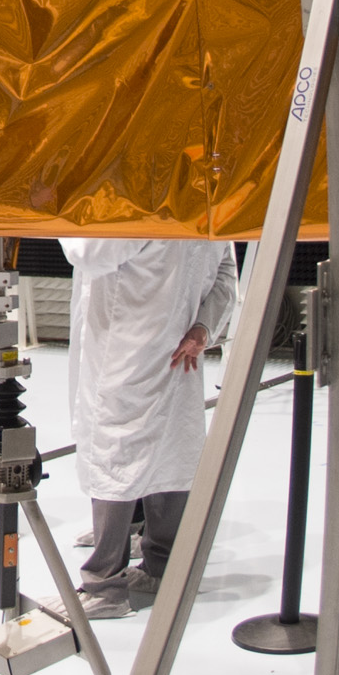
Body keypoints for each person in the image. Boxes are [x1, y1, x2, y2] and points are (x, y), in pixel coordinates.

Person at [64, 237, 237, 617]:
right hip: (180, 348)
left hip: (125, 352)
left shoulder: (144, 201)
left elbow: (88, 252)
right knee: (171, 453)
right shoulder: (212, 200)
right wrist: (204, 328)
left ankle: (105, 585)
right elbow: (227, 273)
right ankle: (162, 568)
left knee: (115, 455)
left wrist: (60, 207)